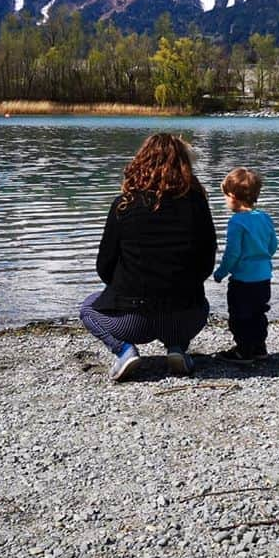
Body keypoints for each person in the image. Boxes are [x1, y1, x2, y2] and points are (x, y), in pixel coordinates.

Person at [79, 133, 217, 382]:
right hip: (185, 318)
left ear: (141, 162)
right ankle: (177, 348)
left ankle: (124, 350)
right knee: (198, 300)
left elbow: (104, 266)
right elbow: (206, 263)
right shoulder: (197, 203)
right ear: (184, 165)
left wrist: (121, 289)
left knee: (88, 308)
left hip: (133, 322)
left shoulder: (123, 204)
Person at [213, 167, 279, 365]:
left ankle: (243, 351)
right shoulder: (264, 217)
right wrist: (263, 259)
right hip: (264, 277)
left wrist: (221, 272)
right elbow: (273, 245)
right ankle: (259, 347)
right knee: (259, 313)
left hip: (242, 280)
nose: (225, 201)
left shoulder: (237, 222)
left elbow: (232, 253)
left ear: (233, 196)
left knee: (239, 316)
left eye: (225, 196)